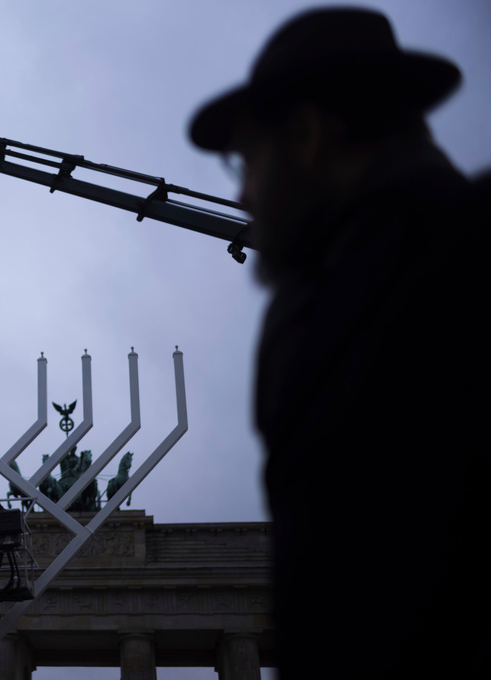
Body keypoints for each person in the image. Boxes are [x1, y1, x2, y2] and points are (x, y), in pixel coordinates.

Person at [189, 7, 488, 679]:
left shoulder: (464, 257)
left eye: (247, 160)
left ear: (307, 134)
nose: (241, 193)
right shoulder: (318, 298)